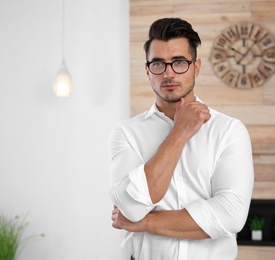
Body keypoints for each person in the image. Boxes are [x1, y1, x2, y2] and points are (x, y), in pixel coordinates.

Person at [108, 18, 254, 260]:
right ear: (147, 71)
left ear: (196, 67)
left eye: (179, 63)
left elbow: (231, 215)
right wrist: (180, 131)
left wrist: (143, 223)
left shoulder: (229, 130)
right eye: (158, 64)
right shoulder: (126, 133)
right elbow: (131, 208)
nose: (168, 74)